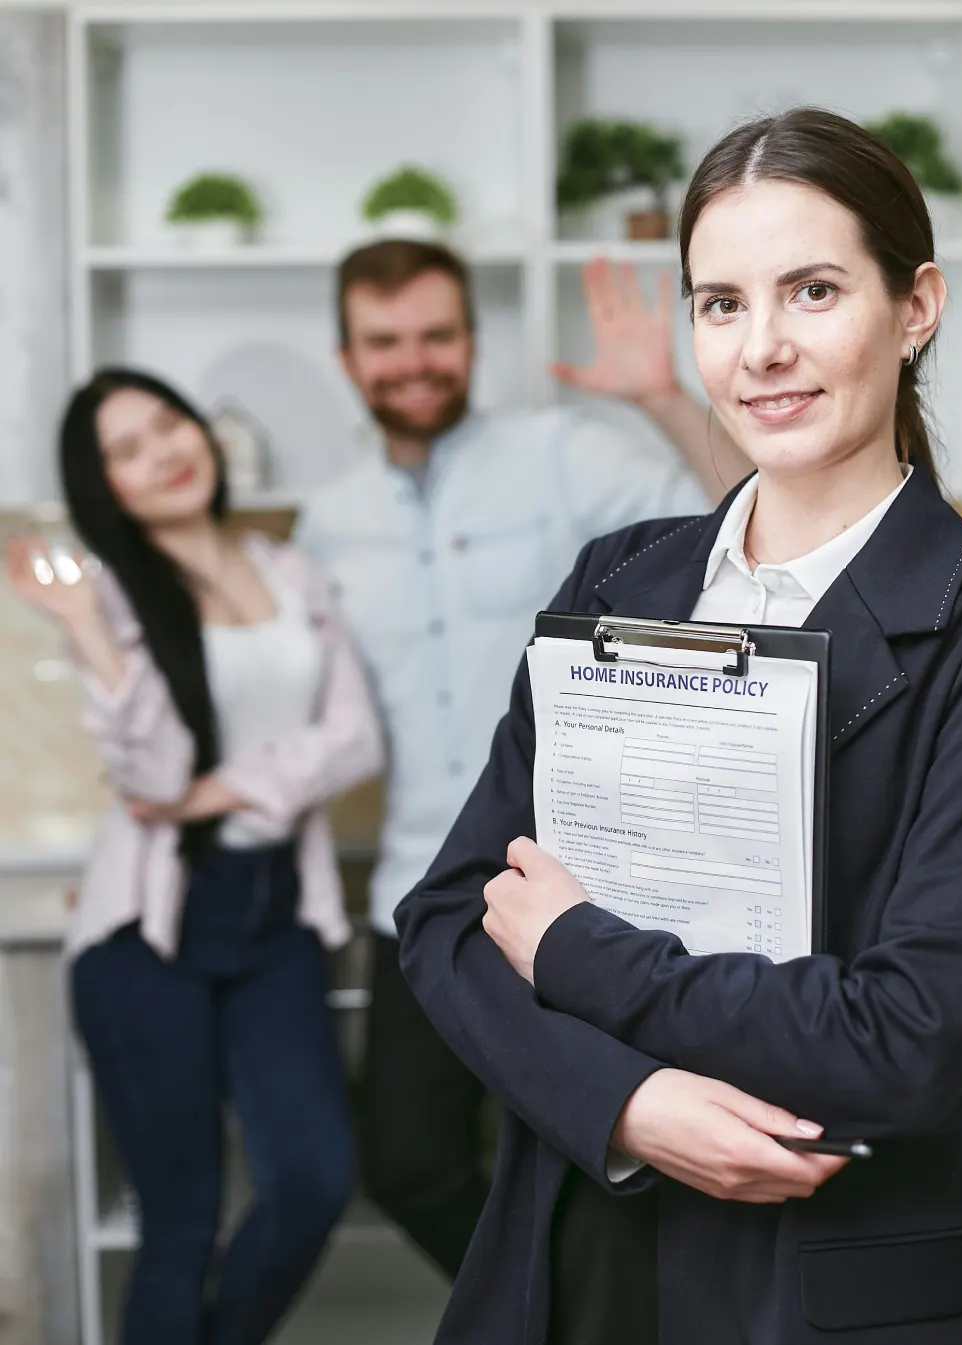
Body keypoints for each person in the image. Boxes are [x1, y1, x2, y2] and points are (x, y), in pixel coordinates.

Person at [395, 106, 962, 1345]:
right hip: (569, 1248)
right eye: (719, 303)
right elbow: (450, 918)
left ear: (916, 306)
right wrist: (627, 1101)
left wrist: (579, 957)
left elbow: (911, 1039)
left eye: (813, 291)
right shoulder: (617, 579)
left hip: (826, 1278)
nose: (761, 347)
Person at [295, 239, 749, 1279]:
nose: (414, 361)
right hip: (429, 895)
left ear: (470, 339)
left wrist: (664, 399)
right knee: (408, 1163)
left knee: (602, 1157)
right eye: (386, 341)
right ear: (348, 355)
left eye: (436, 335)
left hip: (584, 894)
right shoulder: (330, 524)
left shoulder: (562, 455)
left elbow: (750, 518)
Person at [5, 368, 384, 1345]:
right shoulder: (117, 597)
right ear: (106, 489)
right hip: (149, 932)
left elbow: (355, 738)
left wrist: (228, 787)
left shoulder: (288, 569)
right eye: (124, 451)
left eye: (166, 425)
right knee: (181, 1221)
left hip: (275, 919)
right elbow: (157, 771)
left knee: (311, 1178)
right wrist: (92, 635)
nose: (161, 453)